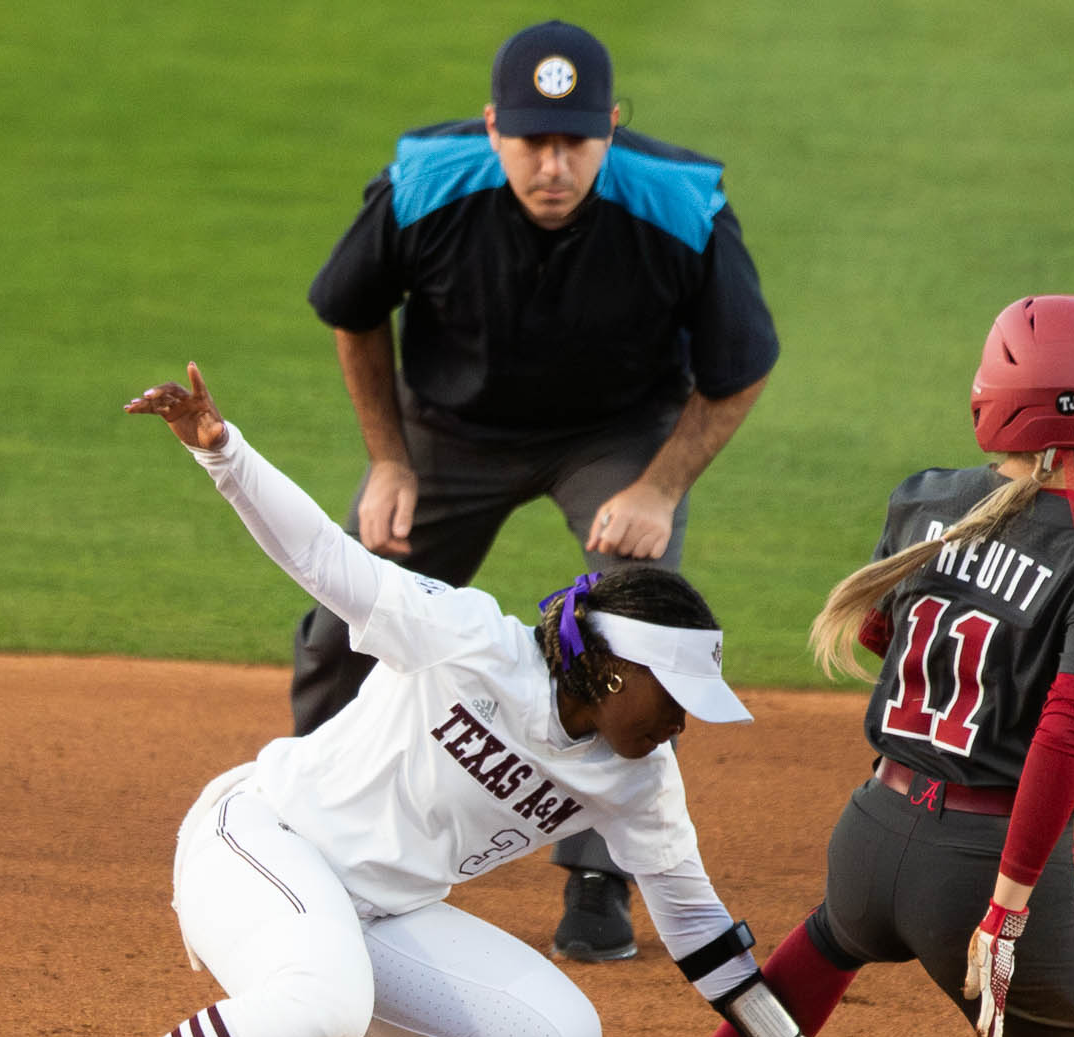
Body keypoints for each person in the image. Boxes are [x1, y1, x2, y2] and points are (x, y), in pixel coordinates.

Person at [0, 363, 824, 1037]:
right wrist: (225, 453)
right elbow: (330, 563)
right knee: (322, 1006)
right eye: (673, 694)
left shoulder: (640, 779)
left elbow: (700, 930)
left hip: (378, 913)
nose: (684, 720)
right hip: (257, 841)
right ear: (609, 669)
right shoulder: (473, 643)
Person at [582, 296, 1074, 1037]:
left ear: (990, 401)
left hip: (872, 833)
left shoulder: (924, 500)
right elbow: (1063, 738)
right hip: (973, 862)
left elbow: (885, 641)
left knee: (808, 963)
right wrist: (1008, 905)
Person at [298, 19, 779, 964]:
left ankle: (600, 875)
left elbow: (743, 365)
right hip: (448, 430)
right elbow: (350, 313)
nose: (552, 165)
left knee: (635, 629)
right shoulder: (426, 184)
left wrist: (659, 485)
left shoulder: (681, 204)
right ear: (491, 128)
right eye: (530, 141)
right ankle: (312, 824)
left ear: (610, 127)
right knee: (340, 617)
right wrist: (389, 458)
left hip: (614, 435)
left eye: (574, 141)